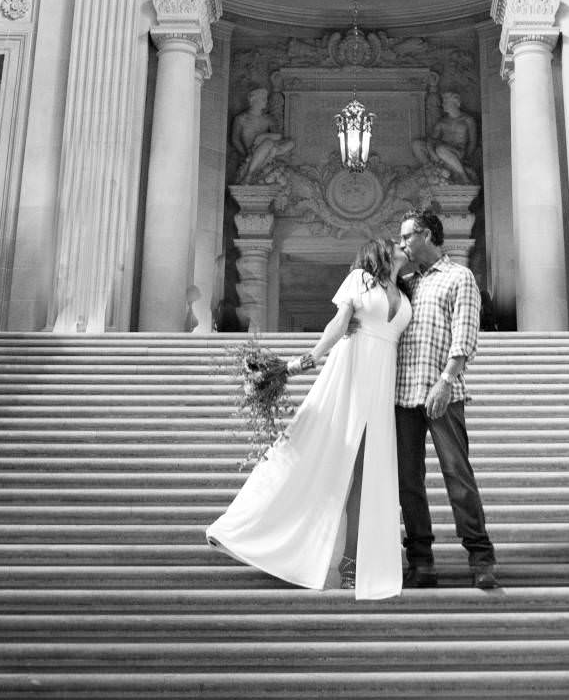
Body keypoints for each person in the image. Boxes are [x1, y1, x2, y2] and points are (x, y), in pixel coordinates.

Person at [206, 238, 411, 600]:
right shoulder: (361, 279)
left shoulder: (406, 290)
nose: (402, 245)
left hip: (383, 381)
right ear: (381, 251)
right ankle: (244, 528)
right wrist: (302, 362)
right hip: (352, 370)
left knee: (367, 472)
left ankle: (352, 563)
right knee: (321, 454)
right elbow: (339, 323)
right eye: (396, 242)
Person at [394, 208, 497, 589]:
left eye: (407, 236)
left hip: (442, 392)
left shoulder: (459, 277)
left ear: (427, 235)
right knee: (408, 481)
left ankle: (481, 557)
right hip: (402, 395)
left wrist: (446, 381)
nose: (402, 243)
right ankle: (421, 561)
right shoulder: (405, 284)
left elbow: (465, 336)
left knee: (457, 475)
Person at [231, 87, 295, 185]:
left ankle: (267, 158)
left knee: (291, 143)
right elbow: (235, 140)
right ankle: (249, 175)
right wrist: (245, 154)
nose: (266, 101)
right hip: (251, 150)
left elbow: (279, 136)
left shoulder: (267, 119)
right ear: (254, 100)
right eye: (263, 99)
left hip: (267, 148)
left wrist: (263, 136)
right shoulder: (241, 119)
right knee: (268, 143)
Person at [410, 92, 478, 184]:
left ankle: (464, 176)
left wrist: (466, 157)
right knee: (416, 144)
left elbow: (473, 142)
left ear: (456, 103)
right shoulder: (442, 122)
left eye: (446, 102)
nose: (443, 105)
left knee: (441, 149)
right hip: (441, 149)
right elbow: (431, 140)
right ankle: (431, 168)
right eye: (443, 102)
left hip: (458, 151)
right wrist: (432, 153)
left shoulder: (468, 120)